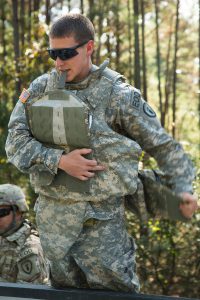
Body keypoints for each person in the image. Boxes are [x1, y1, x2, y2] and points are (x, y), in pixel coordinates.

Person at [5, 13, 198, 292]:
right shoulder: (39, 89)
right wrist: (59, 161)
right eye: (53, 54)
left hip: (103, 237)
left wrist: (182, 188)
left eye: (67, 53)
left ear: (89, 48)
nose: (59, 62)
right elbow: (14, 141)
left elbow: (164, 146)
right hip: (54, 234)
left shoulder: (118, 95)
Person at [0, 184, 49, 284]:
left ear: (18, 211)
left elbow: (30, 295)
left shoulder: (29, 249)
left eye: (1, 212)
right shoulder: (4, 236)